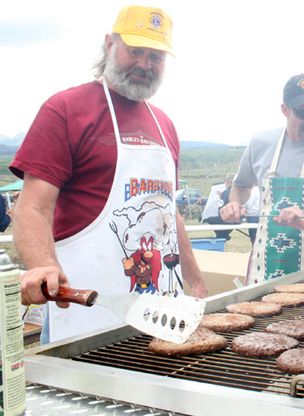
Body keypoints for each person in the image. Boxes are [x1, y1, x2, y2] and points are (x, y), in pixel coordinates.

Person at [10, 5, 207, 344]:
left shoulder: (165, 125)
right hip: (87, 308)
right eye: (135, 51)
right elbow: (32, 208)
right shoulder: (66, 110)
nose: (145, 64)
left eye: (156, 57)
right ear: (109, 44)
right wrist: (43, 265)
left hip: (163, 313)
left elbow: (168, 213)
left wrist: (198, 282)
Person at [220, 73, 304, 284]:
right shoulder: (260, 143)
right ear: (285, 109)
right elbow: (241, 185)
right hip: (262, 272)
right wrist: (234, 203)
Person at [202, 173, 236, 241]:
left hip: (227, 220)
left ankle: (222, 236)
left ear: (229, 182)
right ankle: (224, 235)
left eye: (225, 181)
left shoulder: (225, 193)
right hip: (237, 220)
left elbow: (221, 210)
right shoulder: (239, 192)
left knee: (208, 218)